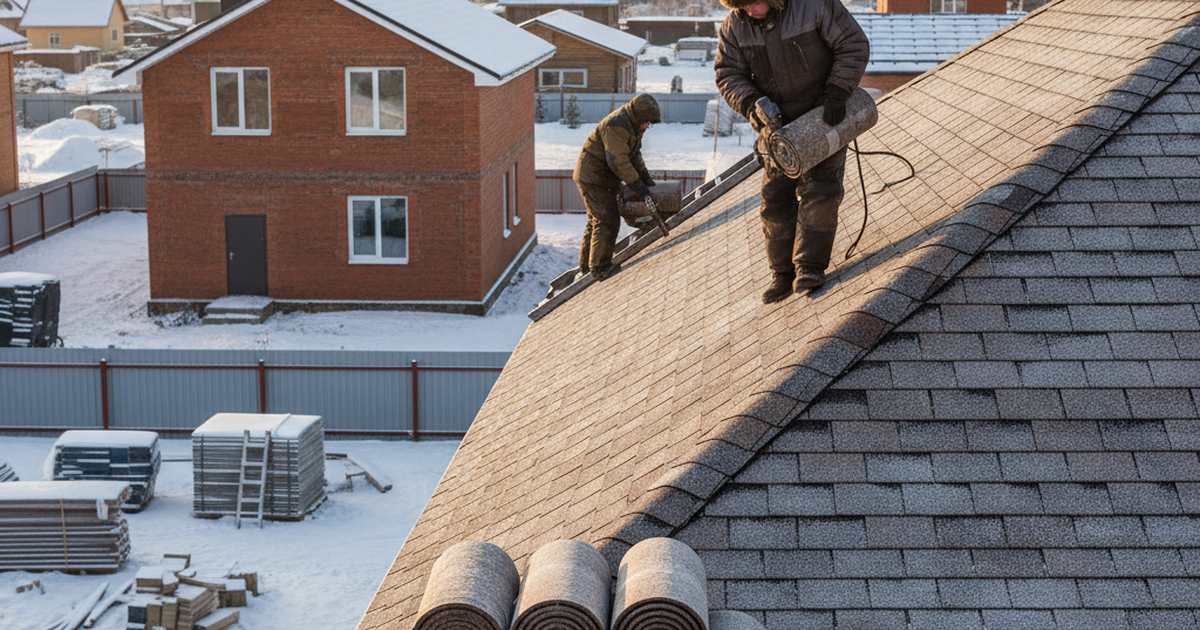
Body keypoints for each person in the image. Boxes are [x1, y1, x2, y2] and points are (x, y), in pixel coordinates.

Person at [714, 0, 869, 303]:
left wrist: (838, 91)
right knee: (775, 198)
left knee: (820, 190)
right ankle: (782, 274)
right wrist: (753, 105)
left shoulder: (813, 5)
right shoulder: (734, 27)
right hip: (778, 129)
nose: (750, 11)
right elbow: (728, 75)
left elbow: (853, 44)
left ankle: (810, 266)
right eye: (742, 6)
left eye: (755, 2)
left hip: (823, 116)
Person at [573, 93, 661, 281]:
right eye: (647, 122)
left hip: (601, 178)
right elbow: (618, 161)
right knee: (607, 219)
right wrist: (637, 185)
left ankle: (586, 268)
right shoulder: (616, 126)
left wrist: (645, 179)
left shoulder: (633, 125)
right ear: (639, 116)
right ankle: (600, 267)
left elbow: (634, 155)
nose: (648, 125)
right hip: (594, 178)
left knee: (595, 220)